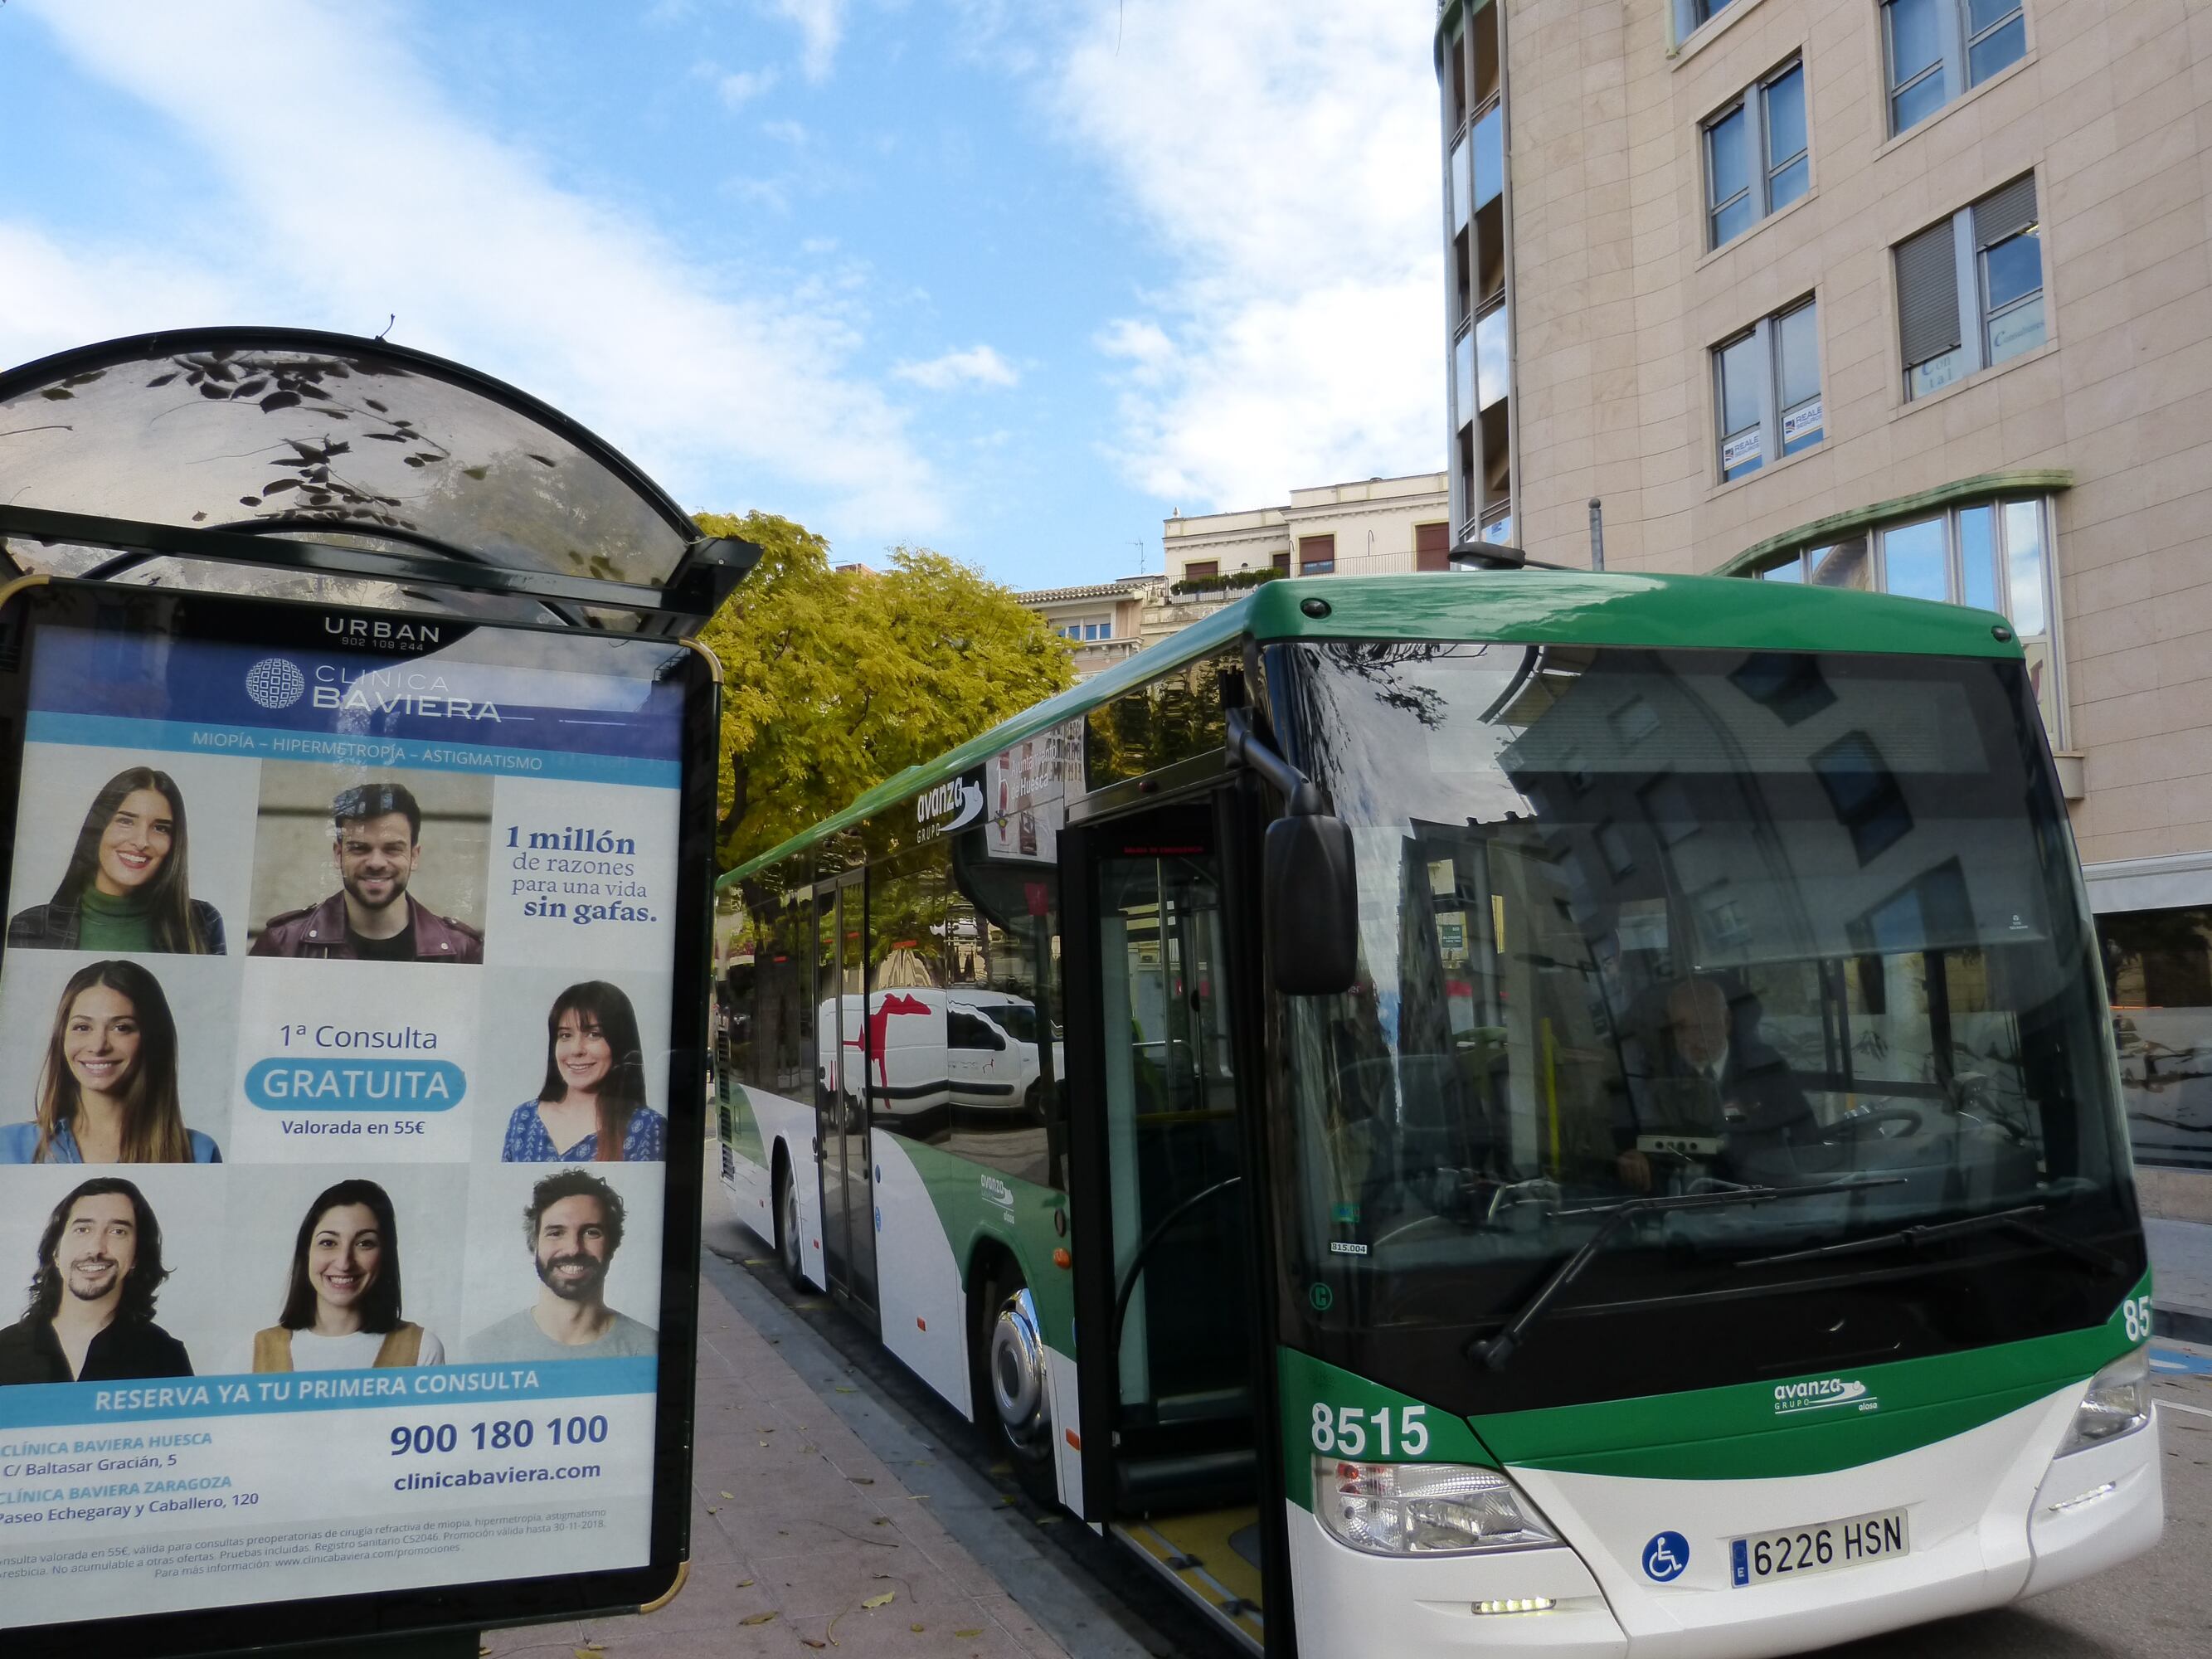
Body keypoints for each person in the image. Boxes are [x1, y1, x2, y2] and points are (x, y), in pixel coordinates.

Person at [0, 961, 221, 1164]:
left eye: (121, 1028)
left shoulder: (198, 1152)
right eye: (82, 1027)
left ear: (152, 1039)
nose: (98, 1046)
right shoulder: (9, 1145)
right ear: (62, 1037)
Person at [1619, 976, 1816, 1190]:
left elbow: (1808, 1142)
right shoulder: (1660, 1079)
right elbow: (1648, 1148)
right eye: (1682, 1028)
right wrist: (1638, 1160)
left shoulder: (1766, 1070)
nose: (1696, 1040)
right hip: (1687, 1204)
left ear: (1727, 1022)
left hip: (1765, 1197)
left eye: (1705, 1026)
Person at [250, 781, 483, 961]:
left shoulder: (462, 950)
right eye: (360, 848)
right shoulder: (283, 943)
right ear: (338, 854)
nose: (376, 862)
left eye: (392, 849)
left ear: (414, 856)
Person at [7, 767, 225, 953]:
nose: (141, 841)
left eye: (160, 828)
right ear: (98, 828)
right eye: (126, 821)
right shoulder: (31, 926)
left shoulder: (203, 922)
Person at [0, 1178, 192, 1384]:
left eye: (117, 1232)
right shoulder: (3, 1350)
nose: (95, 1248)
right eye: (82, 1229)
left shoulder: (165, 1356)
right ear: (55, 1252)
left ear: (136, 1255)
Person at [464, 1170, 656, 1362]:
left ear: (612, 1245)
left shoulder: (650, 1349)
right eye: (556, 1233)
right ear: (534, 1244)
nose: (573, 1249)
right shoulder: (482, 1352)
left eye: (591, 1232)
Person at [253, 1180, 444, 1371]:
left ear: (385, 1254)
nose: (344, 1263)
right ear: (306, 1252)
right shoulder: (252, 1354)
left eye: (364, 1243)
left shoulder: (421, 1349)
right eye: (328, 1243)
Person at [500, 982, 666, 1162]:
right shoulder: (523, 1118)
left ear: (620, 1043)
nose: (576, 1050)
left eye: (594, 1034)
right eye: (565, 1035)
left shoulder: (648, 1127)